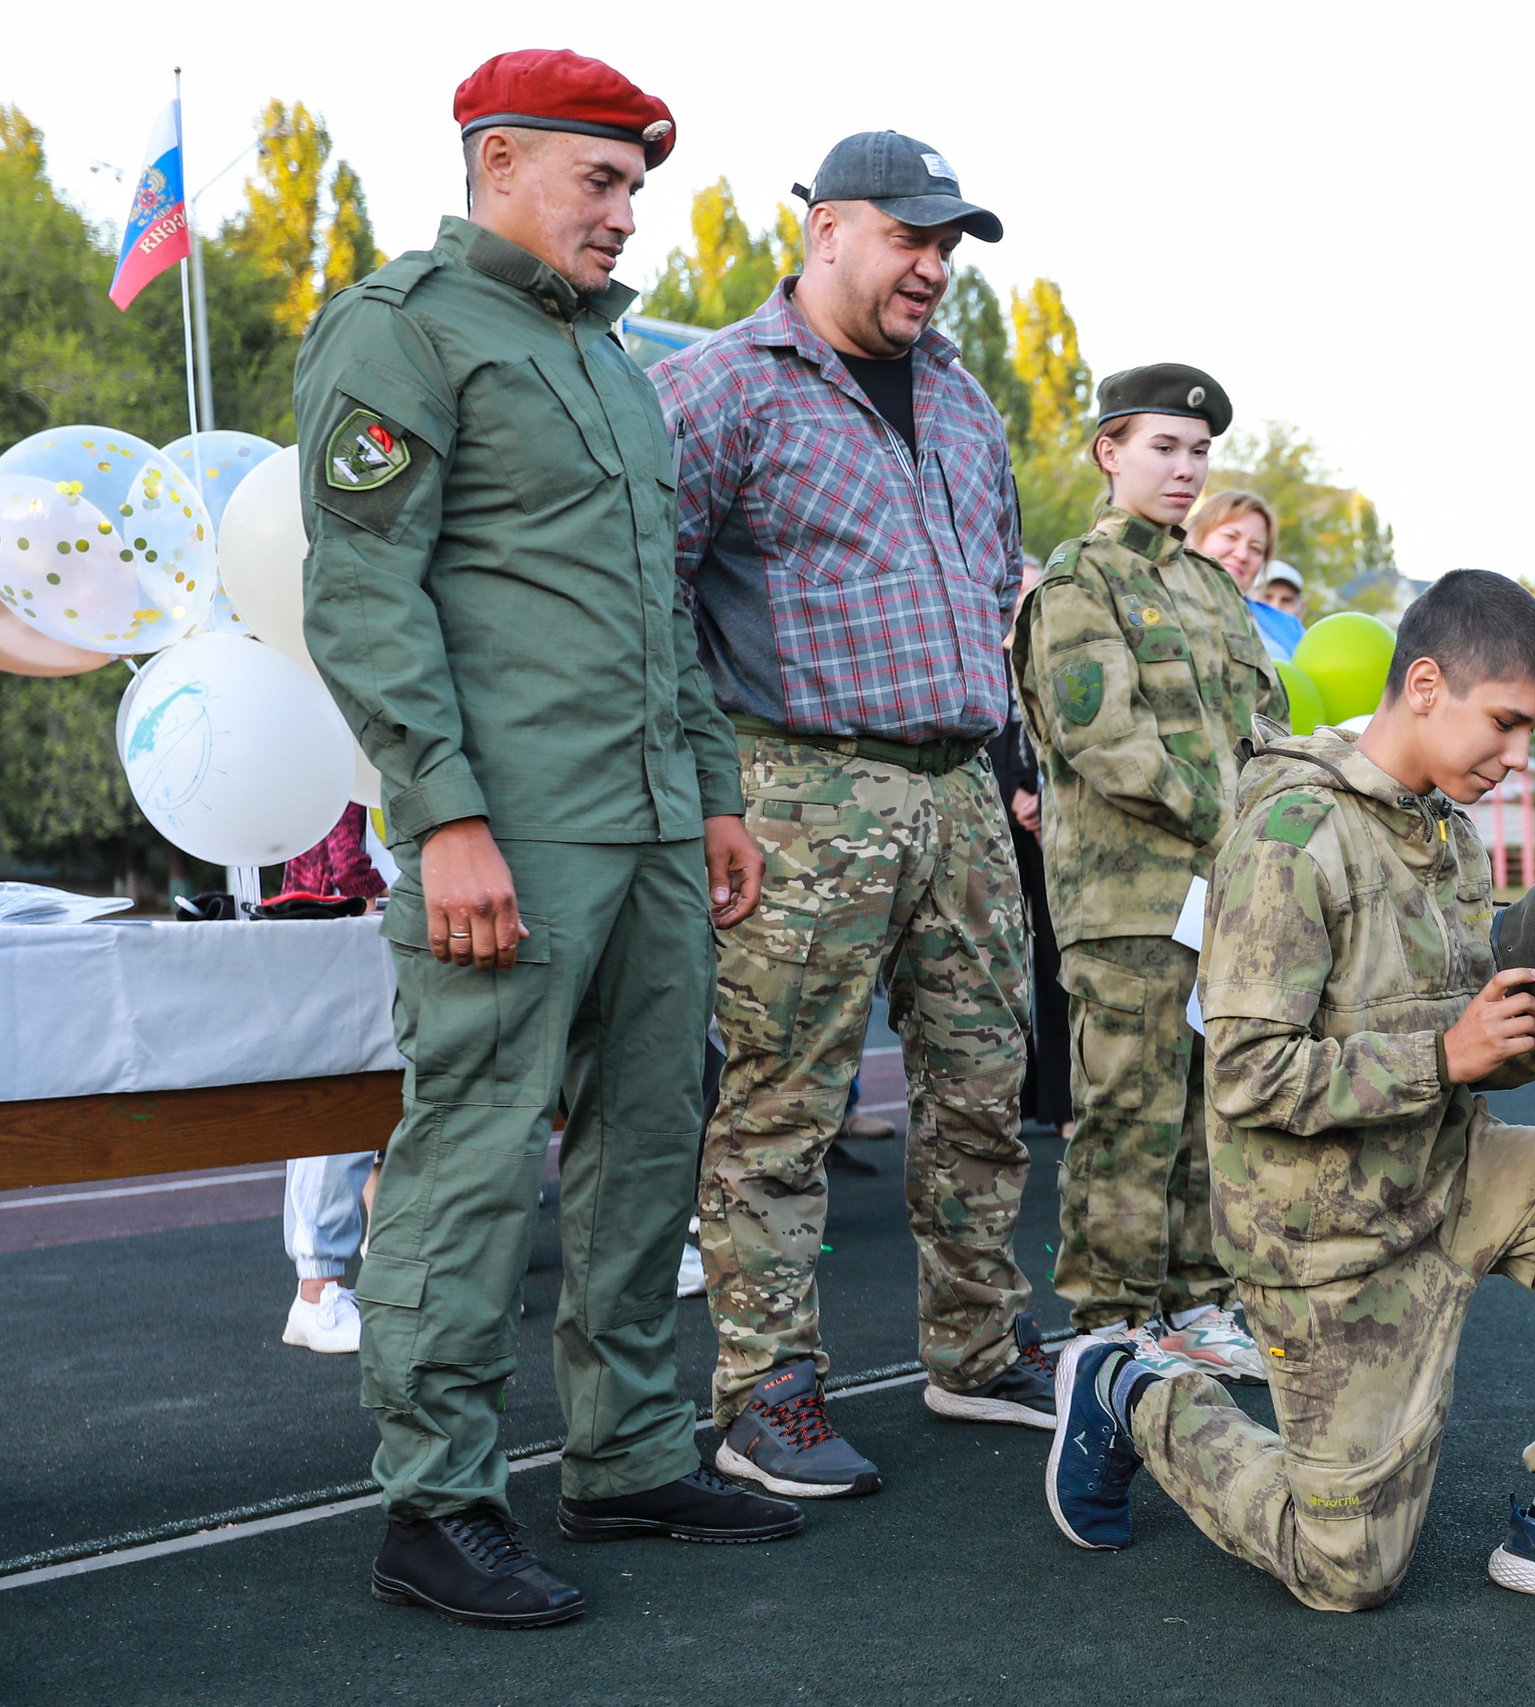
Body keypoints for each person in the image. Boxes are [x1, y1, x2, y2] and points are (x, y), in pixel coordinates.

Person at [297, 49, 799, 1630]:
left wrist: (711, 790)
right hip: (510, 825)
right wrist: (442, 813)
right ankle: (437, 1499)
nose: (625, 213)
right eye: (602, 180)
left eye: (633, 187)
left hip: (647, 828)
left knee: (648, 1143)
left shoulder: (613, 360)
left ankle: (628, 1451)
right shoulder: (405, 327)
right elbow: (362, 591)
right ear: (499, 160)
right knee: (472, 1151)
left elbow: (660, 608)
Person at [1043, 570, 1535, 1617]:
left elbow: (1464, 1038)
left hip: (1449, 1169)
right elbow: (1246, 1074)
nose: (1518, 756)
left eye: (1531, 731)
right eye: (1505, 722)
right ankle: (1134, 1391)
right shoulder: (1289, 837)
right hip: (1326, 1232)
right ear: (1424, 685)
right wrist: (1447, 1056)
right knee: (1346, 1571)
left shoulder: (1446, 830)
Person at [650, 129, 1051, 1502]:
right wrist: (710, 791)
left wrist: (1002, 756)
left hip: (960, 785)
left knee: (984, 1084)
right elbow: (652, 598)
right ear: (825, 229)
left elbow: (988, 583)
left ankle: (978, 1348)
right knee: (785, 1103)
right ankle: (765, 1392)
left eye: (947, 246)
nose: (932, 267)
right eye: (908, 238)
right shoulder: (718, 388)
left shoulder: (964, 399)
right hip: (799, 786)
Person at [1012, 364, 1287, 1383]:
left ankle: (1198, 1302)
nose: (1185, 469)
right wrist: (1237, 826)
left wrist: (1278, 828)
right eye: (1163, 447)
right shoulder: (1079, 582)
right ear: (1109, 452)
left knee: (1213, 1110)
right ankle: (1114, 1319)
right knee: (1128, 1113)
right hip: (1130, 899)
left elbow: (1267, 729)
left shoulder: (1213, 590)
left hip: (1222, 898)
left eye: (1199, 452)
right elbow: (1108, 742)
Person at [277, 804, 391, 1354]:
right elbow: (343, 851)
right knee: (340, 1099)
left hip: (350, 920)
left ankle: (332, 1281)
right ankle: (318, 1291)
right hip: (344, 922)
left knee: (358, 1102)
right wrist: (375, 890)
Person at [991, 554, 1073, 1133]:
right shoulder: (978, 660)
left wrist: (1045, 798)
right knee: (996, 966)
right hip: (993, 828)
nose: (1024, 601)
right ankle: (1008, 1098)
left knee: (1058, 966)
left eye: (1034, 591)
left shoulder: (1059, 660)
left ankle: (1063, 1101)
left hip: (1052, 829)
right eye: (1016, 589)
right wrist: (1014, 793)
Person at [1192, 488, 1302, 660]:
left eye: (1255, 548)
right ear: (1194, 536)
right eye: (1231, 536)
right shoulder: (1158, 605)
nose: (1242, 555)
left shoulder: (1290, 627)